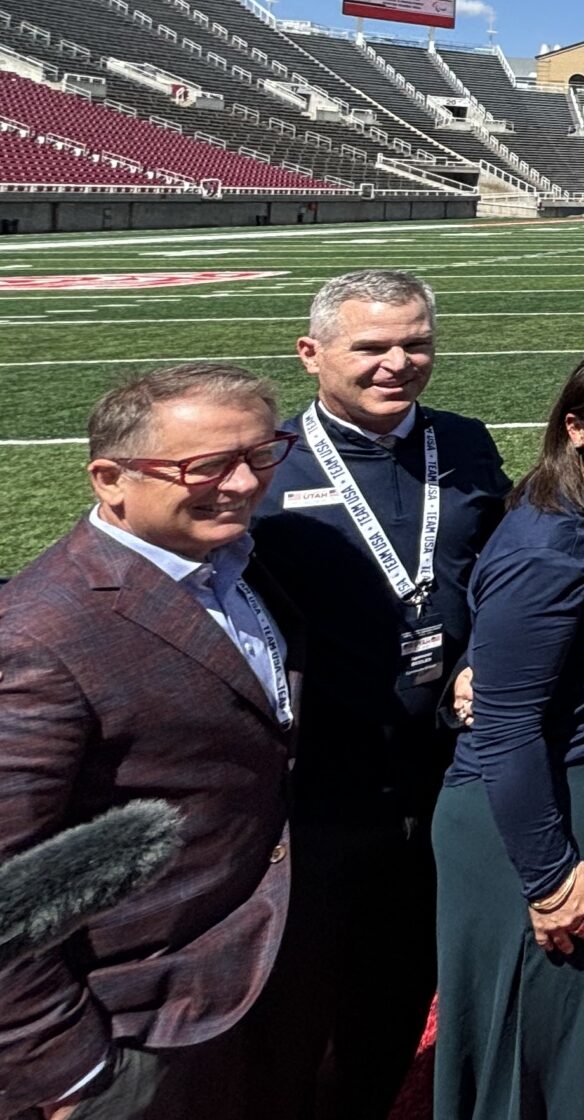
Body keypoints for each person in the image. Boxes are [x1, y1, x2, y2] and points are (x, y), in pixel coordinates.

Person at [0, 364, 301, 1120]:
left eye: (261, 455)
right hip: (135, 1028)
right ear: (110, 478)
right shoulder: (41, 636)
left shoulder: (228, 560)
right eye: (206, 466)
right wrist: (69, 1073)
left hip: (239, 978)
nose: (242, 483)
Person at [254, 272, 507, 1120]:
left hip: (445, 769)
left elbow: (495, 575)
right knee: (298, 1001)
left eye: (416, 341)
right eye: (372, 346)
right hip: (319, 788)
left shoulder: (467, 444)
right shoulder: (264, 469)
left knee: (403, 982)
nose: (398, 362)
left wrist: (483, 655)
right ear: (312, 352)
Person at [432, 344, 584, 1120]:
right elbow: (505, 729)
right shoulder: (551, 538)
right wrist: (545, 878)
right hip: (542, 802)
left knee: (573, 1025)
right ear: (575, 427)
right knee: (529, 1041)